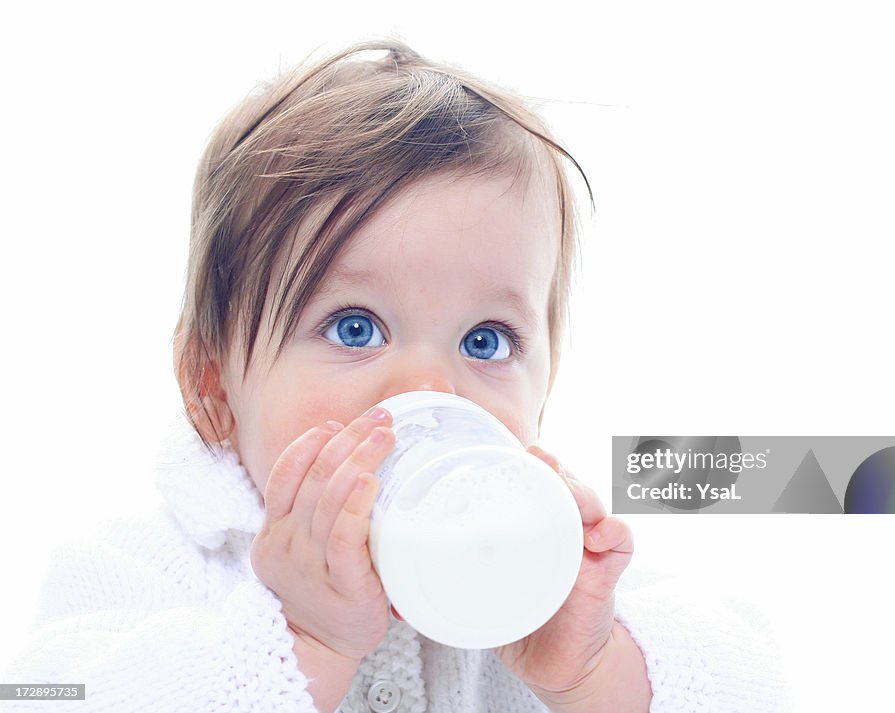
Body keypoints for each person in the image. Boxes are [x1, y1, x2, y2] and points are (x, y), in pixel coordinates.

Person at [4, 41, 788, 712]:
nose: (432, 389)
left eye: (485, 340)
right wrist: (295, 638)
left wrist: (598, 667)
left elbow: (756, 684)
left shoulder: (548, 576)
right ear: (211, 381)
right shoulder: (149, 562)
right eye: (356, 328)